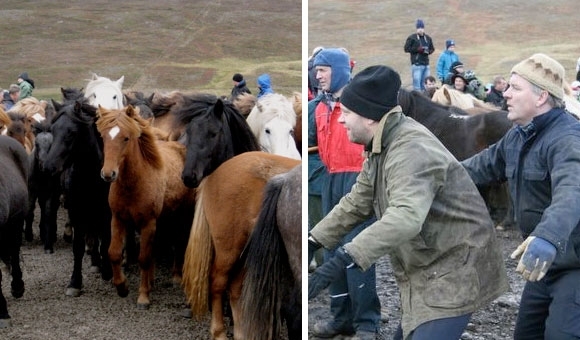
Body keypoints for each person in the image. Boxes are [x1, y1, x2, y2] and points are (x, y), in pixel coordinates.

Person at [308, 64, 509, 340]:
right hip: (430, 267)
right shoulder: (382, 142)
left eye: (347, 113)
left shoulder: (410, 149)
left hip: (455, 269)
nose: (341, 120)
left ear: (368, 118)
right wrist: (314, 240)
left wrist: (347, 255)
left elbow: (405, 217)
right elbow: (357, 201)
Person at [461, 53, 580, 339]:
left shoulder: (568, 139)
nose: (506, 94)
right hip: (542, 264)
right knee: (526, 335)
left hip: (574, 263)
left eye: (515, 87)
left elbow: (573, 191)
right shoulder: (518, 136)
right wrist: (428, 176)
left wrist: (548, 236)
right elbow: (477, 168)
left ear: (541, 97)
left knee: (562, 335)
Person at [309, 47, 381, 339]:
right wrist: (319, 176)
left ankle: (367, 323)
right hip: (331, 181)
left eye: (323, 69)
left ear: (338, 70)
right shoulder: (319, 107)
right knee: (331, 249)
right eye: (316, 70)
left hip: (358, 181)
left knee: (358, 251)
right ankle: (341, 319)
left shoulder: (361, 104)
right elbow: (311, 147)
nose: (318, 75)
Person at [403, 19, 435, 91]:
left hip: (426, 64)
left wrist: (428, 51)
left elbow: (432, 48)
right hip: (417, 64)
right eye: (419, 28)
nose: (420, 30)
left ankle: (426, 99)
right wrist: (417, 49)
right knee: (417, 85)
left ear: (424, 28)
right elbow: (406, 49)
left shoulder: (428, 38)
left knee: (426, 84)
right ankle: (417, 100)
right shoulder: (412, 38)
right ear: (416, 29)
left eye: (422, 28)